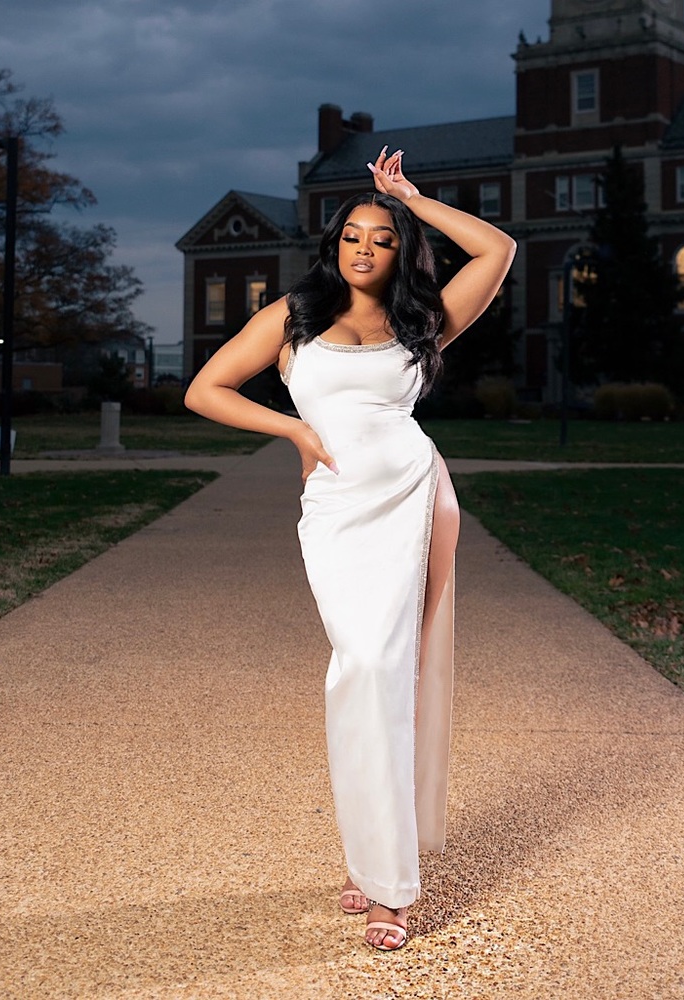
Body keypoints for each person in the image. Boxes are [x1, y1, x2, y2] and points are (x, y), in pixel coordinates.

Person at [185, 146, 516, 951]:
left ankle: (388, 889)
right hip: (335, 509)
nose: (365, 249)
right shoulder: (295, 316)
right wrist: (294, 426)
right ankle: (371, 855)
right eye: (352, 237)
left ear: (400, 250)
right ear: (332, 247)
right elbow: (205, 389)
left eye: (382, 238)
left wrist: (406, 196)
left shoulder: (424, 318)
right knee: (356, 671)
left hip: (413, 496)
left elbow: (499, 250)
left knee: (382, 672)